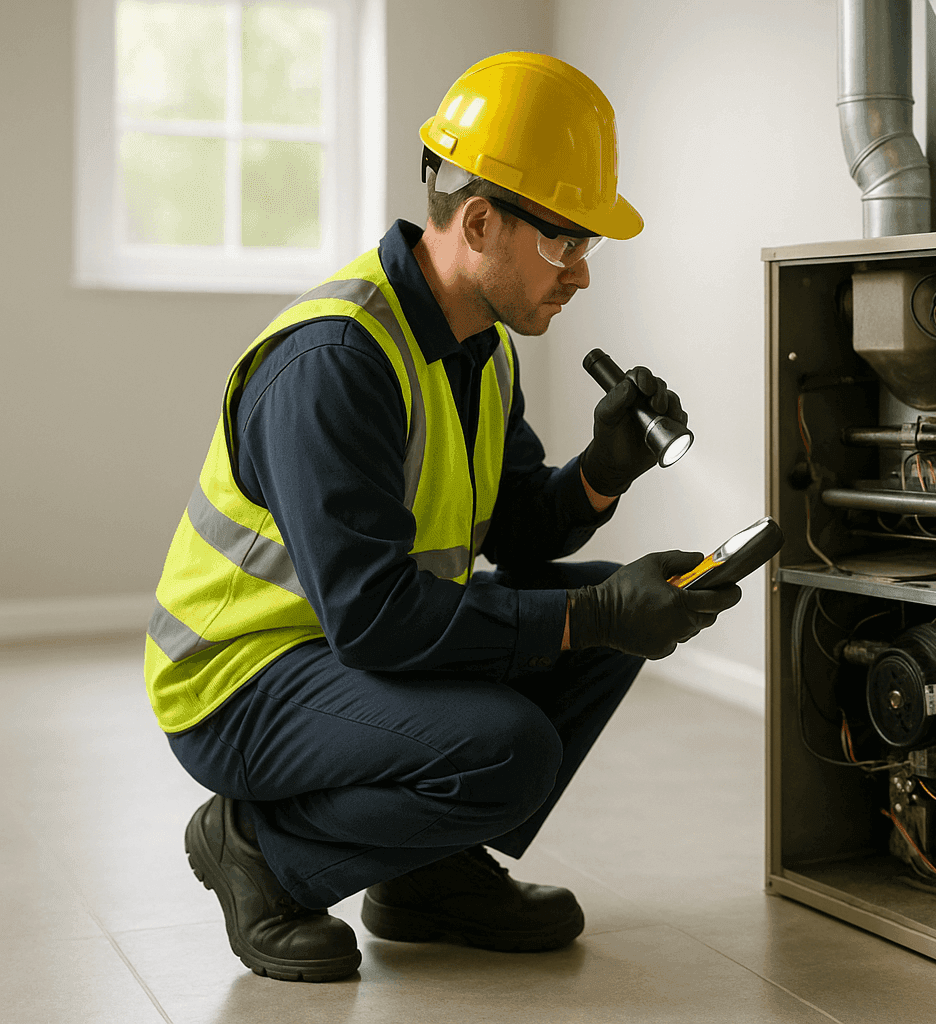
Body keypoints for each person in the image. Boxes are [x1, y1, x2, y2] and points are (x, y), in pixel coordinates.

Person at [143, 52, 741, 982]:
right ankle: (258, 848)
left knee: (599, 618)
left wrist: (603, 470)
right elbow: (378, 618)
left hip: (337, 655)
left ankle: (422, 874)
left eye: (588, 247)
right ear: (478, 222)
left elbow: (523, 537)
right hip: (239, 680)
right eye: (565, 242)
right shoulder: (335, 362)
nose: (580, 274)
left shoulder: (477, 349)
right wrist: (596, 614)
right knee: (510, 746)